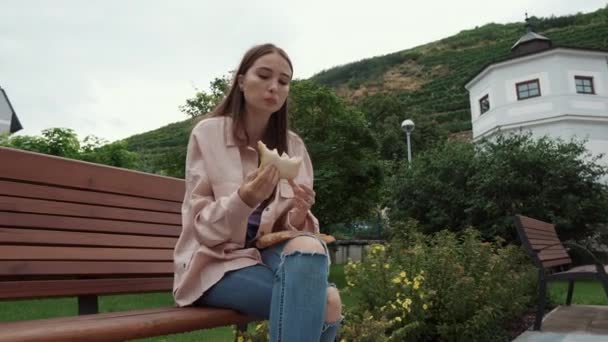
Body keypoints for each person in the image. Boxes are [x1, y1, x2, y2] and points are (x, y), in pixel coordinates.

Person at [173, 43, 342, 342]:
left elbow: (282, 232)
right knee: (324, 302)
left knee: (310, 250)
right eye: (263, 75)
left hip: (267, 257)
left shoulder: (294, 147)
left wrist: (299, 214)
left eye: (283, 81)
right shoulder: (208, 134)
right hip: (215, 263)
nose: (273, 87)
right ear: (240, 81)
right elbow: (203, 230)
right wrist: (244, 199)